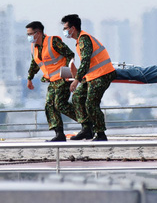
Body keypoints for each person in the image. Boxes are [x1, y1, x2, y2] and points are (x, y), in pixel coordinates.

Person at [61, 14, 115, 142]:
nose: (64, 31)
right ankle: (87, 129)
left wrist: (76, 80)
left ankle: (101, 133)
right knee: (78, 97)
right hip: (93, 76)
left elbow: (86, 61)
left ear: (73, 28)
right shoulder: (79, 41)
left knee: (91, 103)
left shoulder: (84, 39)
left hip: (102, 74)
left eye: (65, 28)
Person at [25, 20, 78, 142]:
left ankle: (86, 121)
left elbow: (70, 54)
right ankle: (59, 134)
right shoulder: (34, 47)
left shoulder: (53, 41)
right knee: (49, 105)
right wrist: (30, 78)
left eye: (30, 34)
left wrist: (68, 72)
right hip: (52, 81)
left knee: (59, 103)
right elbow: (35, 63)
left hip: (63, 78)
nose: (29, 37)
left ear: (38, 33)